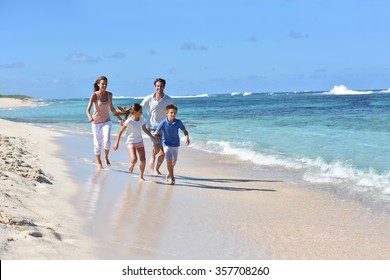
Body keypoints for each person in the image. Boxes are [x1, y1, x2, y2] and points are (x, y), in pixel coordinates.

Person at [86, 76, 123, 169]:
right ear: (98, 84)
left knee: (107, 140)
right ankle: (99, 162)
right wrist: (90, 117)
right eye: (103, 84)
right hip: (96, 123)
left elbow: (112, 109)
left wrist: (119, 118)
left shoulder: (109, 95)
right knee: (97, 144)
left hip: (107, 121)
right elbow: (87, 110)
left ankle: (106, 157)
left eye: (106, 84)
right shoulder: (94, 95)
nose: (105, 85)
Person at [113, 103, 157, 181]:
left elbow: (145, 130)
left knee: (143, 159)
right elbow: (120, 132)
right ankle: (132, 164)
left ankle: (141, 176)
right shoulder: (129, 121)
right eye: (140, 111)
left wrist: (153, 137)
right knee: (134, 159)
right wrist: (117, 143)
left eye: (141, 111)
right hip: (131, 141)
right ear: (134, 112)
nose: (141, 113)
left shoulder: (142, 119)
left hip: (139, 140)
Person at [141, 78, 172, 175]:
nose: (159, 88)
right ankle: (153, 157)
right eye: (158, 86)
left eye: (161, 86)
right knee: (157, 148)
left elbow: (171, 113)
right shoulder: (149, 98)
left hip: (165, 127)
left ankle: (156, 169)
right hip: (153, 127)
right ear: (155, 86)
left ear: (164, 87)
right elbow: (139, 108)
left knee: (163, 153)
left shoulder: (168, 99)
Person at [154, 104, 190, 185]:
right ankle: (173, 178)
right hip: (166, 144)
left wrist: (187, 137)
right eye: (171, 113)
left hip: (176, 144)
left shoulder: (178, 122)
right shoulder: (163, 123)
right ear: (167, 113)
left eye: (174, 113)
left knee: (174, 161)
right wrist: (156, 137)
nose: (173, 114)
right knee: (169, 160)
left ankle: (169, 173)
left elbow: (185, 131)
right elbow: (156, 132)